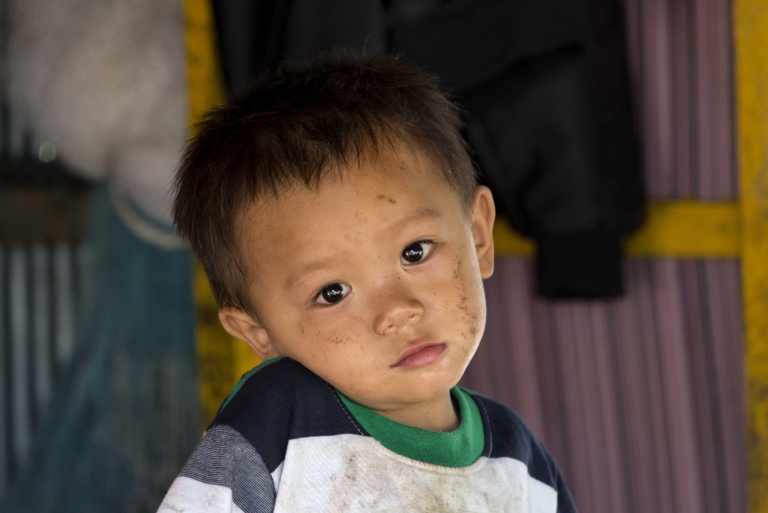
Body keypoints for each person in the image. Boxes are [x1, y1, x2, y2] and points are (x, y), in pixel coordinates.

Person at [158, 49, 577, 513]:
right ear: (259, 331)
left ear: (478, 235)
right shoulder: (280, 422)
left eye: (415, 252)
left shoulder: (521, 463)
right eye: (332, 292)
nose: (397, 311)